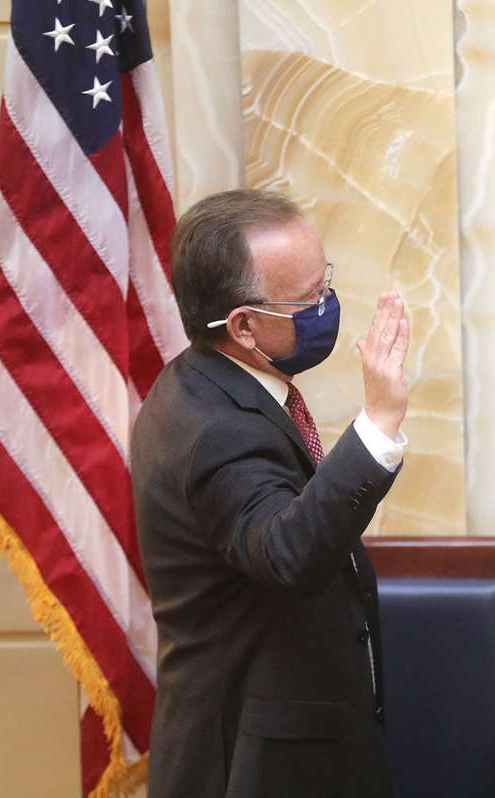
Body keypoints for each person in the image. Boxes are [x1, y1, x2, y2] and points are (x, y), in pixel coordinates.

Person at [133, 189, 410, 797]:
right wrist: (380, 422)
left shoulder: (214, 381)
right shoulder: (213, 429)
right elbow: (289, 552)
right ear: (243, 325)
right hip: (249, 767)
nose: (327, 306)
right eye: (308, 299)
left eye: (325, 284)